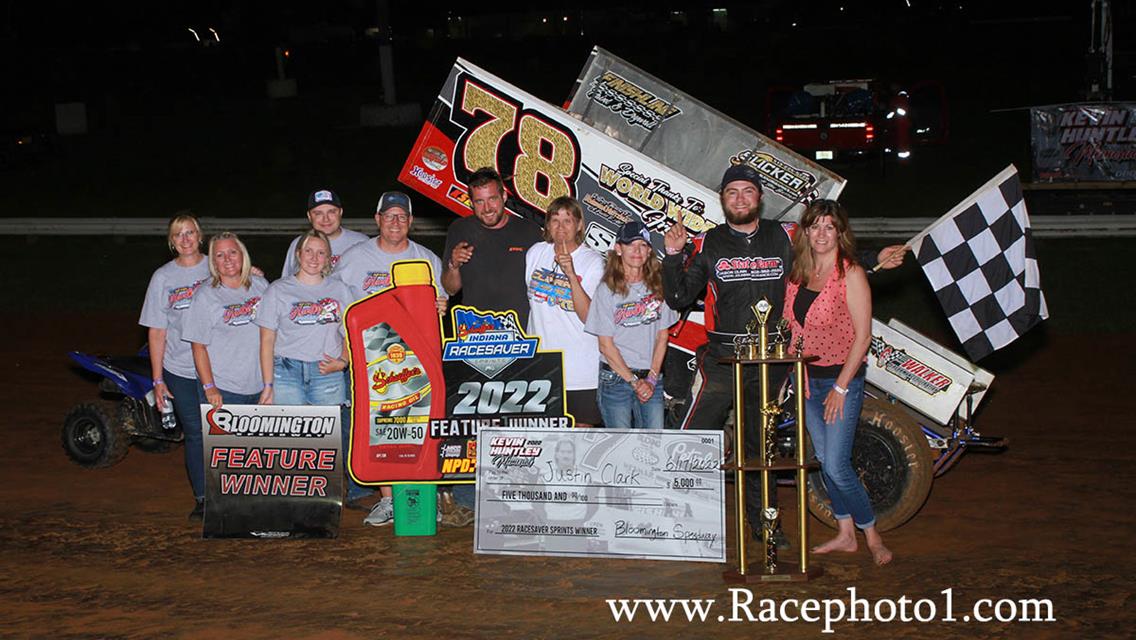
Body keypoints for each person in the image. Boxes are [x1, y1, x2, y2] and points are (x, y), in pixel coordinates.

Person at [663, 164, 907, 546]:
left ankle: (766, 526)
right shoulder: (709, 242)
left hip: (772, 362)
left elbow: (827, 256)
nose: (740, 198)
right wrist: (674, 256)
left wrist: (874, 259)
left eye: (748, 191)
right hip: (724, 361)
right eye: (732, 192)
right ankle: (673, 520)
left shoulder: (783, 236)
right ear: (723, 199)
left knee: (760, 448)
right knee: (692, 439)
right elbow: (678, 297)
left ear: (760, 197)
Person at [785, 199, 892, 565]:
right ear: (806, 231)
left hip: (839, 380)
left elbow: (863, 337)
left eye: (829, 226)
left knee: (836, 466)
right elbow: (793, 330)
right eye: (815, 226)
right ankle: (846, 533)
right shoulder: (799, 271)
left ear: (840, 232)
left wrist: (841, 388)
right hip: (805, 380)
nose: (821, 234)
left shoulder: (851, 274)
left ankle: (873, 535)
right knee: (823, 458)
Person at [334, 191, 447, 527]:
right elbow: (337, 303)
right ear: (377, 219)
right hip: (372, 359)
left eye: (402, 216)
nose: (395, 222)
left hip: (416, 359)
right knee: (379, 427)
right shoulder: (354, 259)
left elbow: (438, 305)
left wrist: (442, 308)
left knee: (420, 424)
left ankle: (423, 493)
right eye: (389, 215)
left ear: (411, 222)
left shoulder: (427, 259)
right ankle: (387, 501)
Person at [181, 232, 269, 520]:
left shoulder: (260, 285)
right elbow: (198, 346)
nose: (227, 259)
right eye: (219, 255)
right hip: (224, 385)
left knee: (254, 449)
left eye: (232, 253)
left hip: (258, 383)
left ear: (243, 255)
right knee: (222, 450)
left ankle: (251, 505)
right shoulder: (206, 295)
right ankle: (212, 504)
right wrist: (209, 387)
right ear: (213, 262)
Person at [139, 212, 211, 520]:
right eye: (179, 234)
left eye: (190, 232)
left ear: (200, 236)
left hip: (219, 369)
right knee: (195, 432)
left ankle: (234, 494)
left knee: (223, 432)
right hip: (179, 368)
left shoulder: (218, 264)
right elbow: (156, 331)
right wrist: (157, 380)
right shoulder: (163, 277)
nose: (185, 239)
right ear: (172, 241)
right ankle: (204, 498)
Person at [585, 220, 677, 429]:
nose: (637, 250)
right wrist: (635, 382)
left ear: (649, 251)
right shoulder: (606, 290)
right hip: (616, 378)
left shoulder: (659, 286)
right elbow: (605, 345)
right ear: (618, 249)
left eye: (642, 245)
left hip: (652, 378)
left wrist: (652, 379)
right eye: (630, 244)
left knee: (653, 446)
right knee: (621, 447)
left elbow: (662, 337)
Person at [525, 196, 605, 427]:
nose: (560, 227)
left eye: (567, 221)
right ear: (547, 225)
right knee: (543, 440)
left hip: (581, 370)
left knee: (580, 438)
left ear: (579, 225)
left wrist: (570, 274)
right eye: (555, 220)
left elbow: (591, 317)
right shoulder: (535, 253)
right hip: (541, 367)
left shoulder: (592, 262)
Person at [442, 167, 543, 327]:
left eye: (492, 199)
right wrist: (454, 265)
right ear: (471, 203)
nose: (487, 208)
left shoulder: (529, 231)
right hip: (475, 332)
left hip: (522, 332)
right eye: (479, 201)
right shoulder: (460, 229)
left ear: (503, 197)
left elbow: (545, 286)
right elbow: (450, 289)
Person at [281, 189, 367, 277]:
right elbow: (286, 284)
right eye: (318, 213)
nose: (326, 219)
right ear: (309, 216)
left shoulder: (361, 242)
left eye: (331, 212)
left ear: (340, 212)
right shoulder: (299, 244)